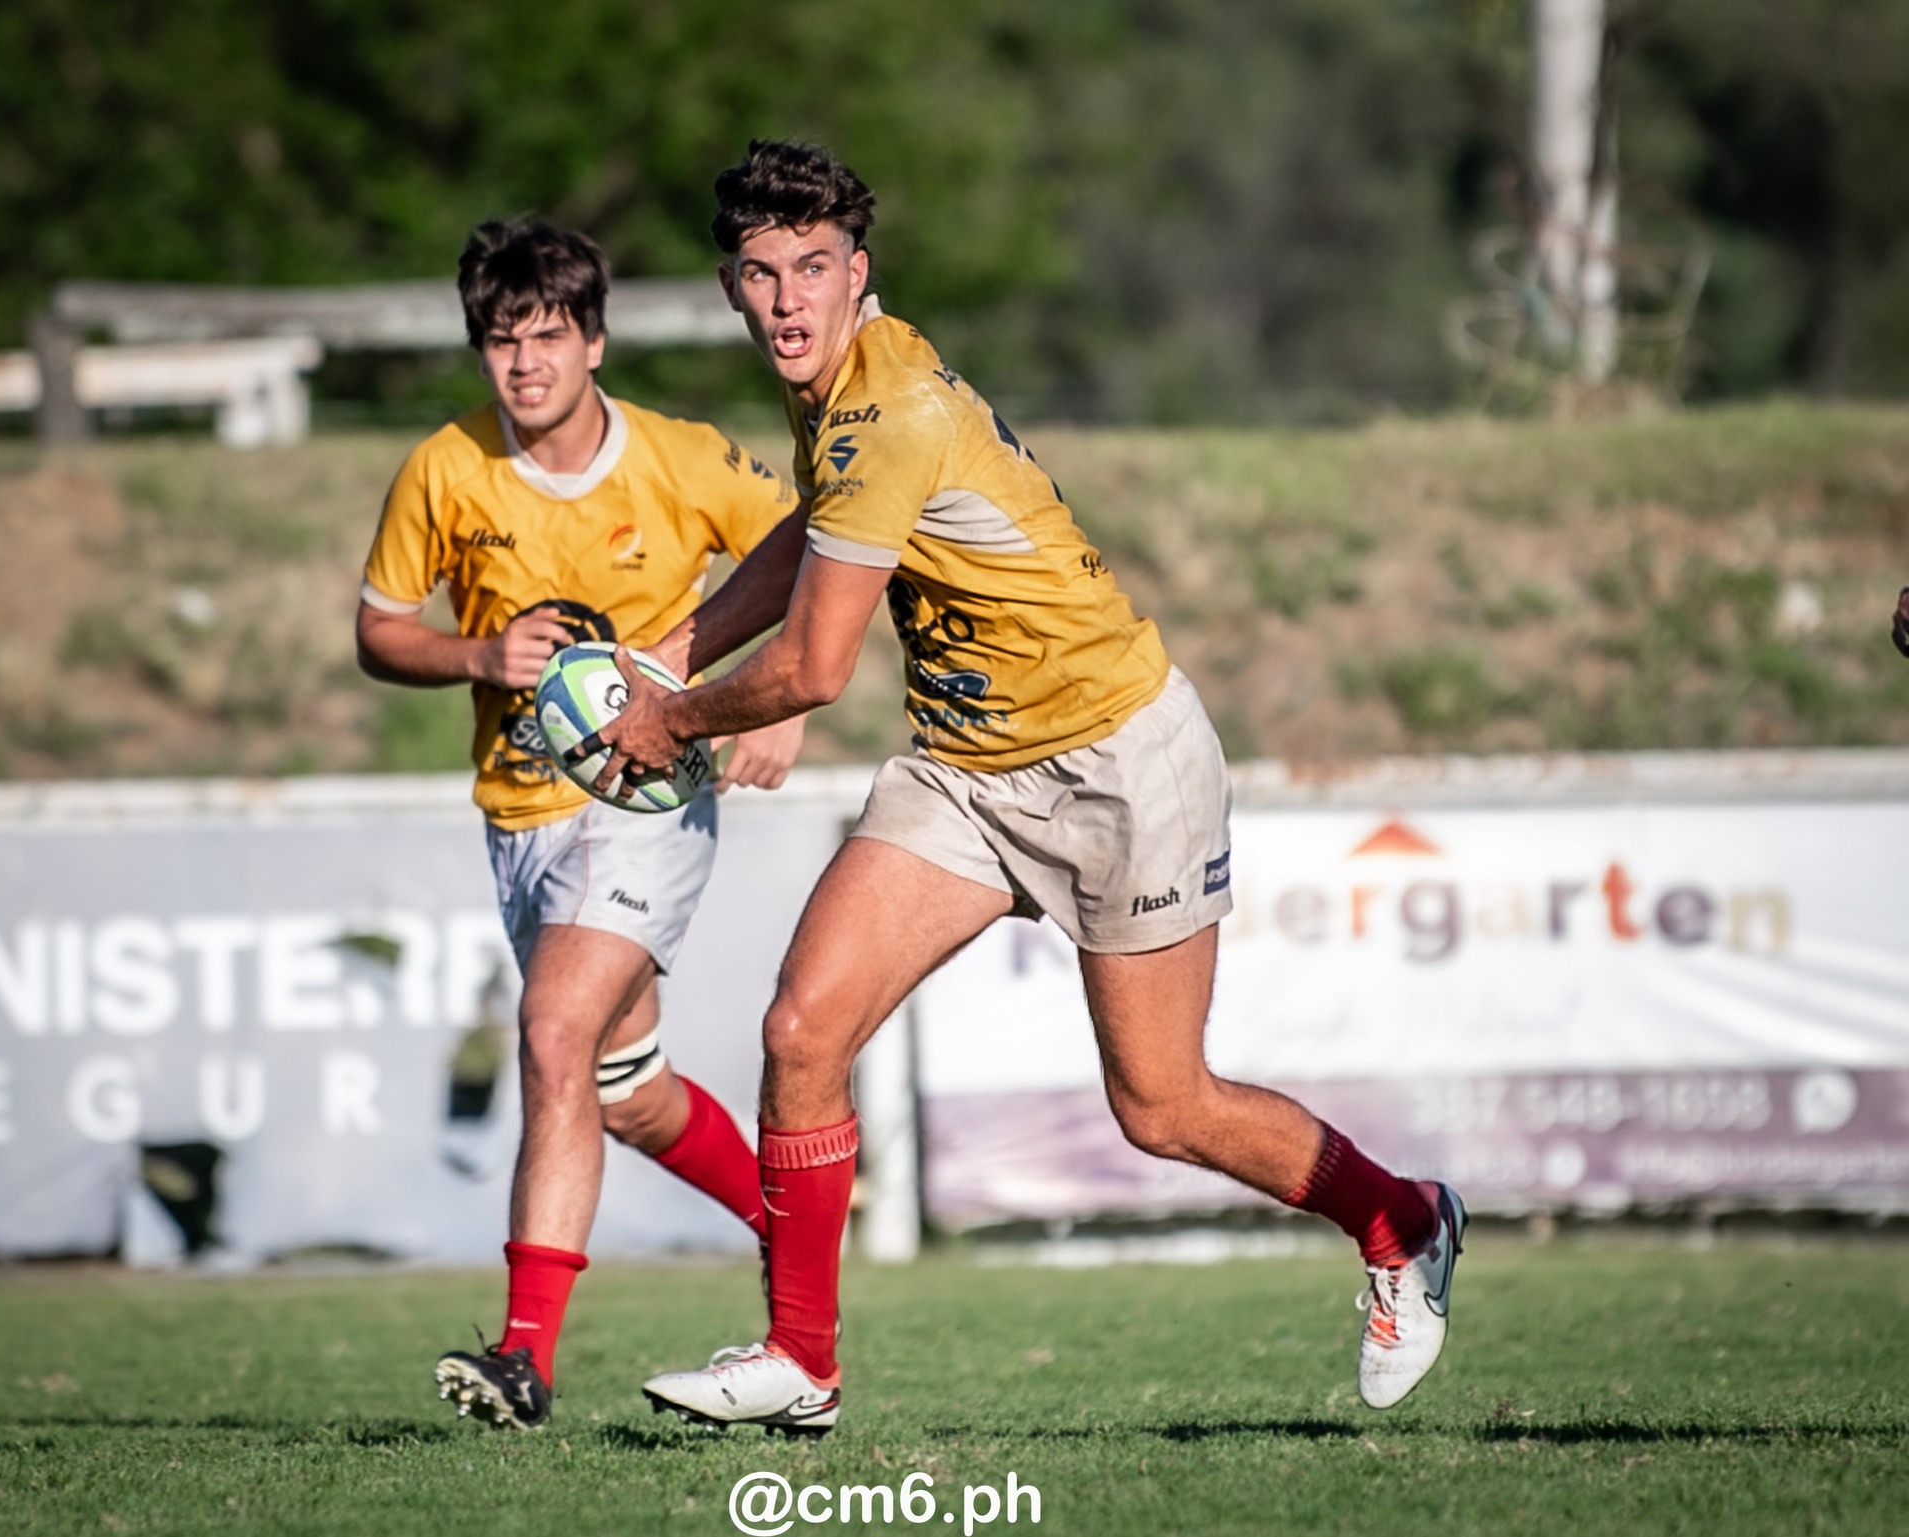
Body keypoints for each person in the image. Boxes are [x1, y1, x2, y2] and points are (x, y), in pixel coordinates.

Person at [595, 140, 1466, 1435]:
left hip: (1120, 757)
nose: (787, 299)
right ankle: (801, 1360)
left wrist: (672, 716)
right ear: (732, 282)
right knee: (802, 1032)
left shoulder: (885, 406)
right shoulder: (830, 384)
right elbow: (820, 533)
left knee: (1162, 1106)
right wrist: (678, 643)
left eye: (813, 269)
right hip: (967, 768)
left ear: (859, 273)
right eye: (764, 272)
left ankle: (1403, 1220)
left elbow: (820, 668)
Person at [355, 216, 809, 1430]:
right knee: (618, 1085)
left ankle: (521, 1358)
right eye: (500, 343)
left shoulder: (678, 457)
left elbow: (822, 536)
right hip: (517, 819)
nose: (524, 366)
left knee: (553, 1031)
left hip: (648, 803)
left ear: (594, 341)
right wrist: (472, 652)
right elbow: (378, 629)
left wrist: (791, 698)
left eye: (546, 338)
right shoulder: (443, 470)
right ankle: (789, 1218)